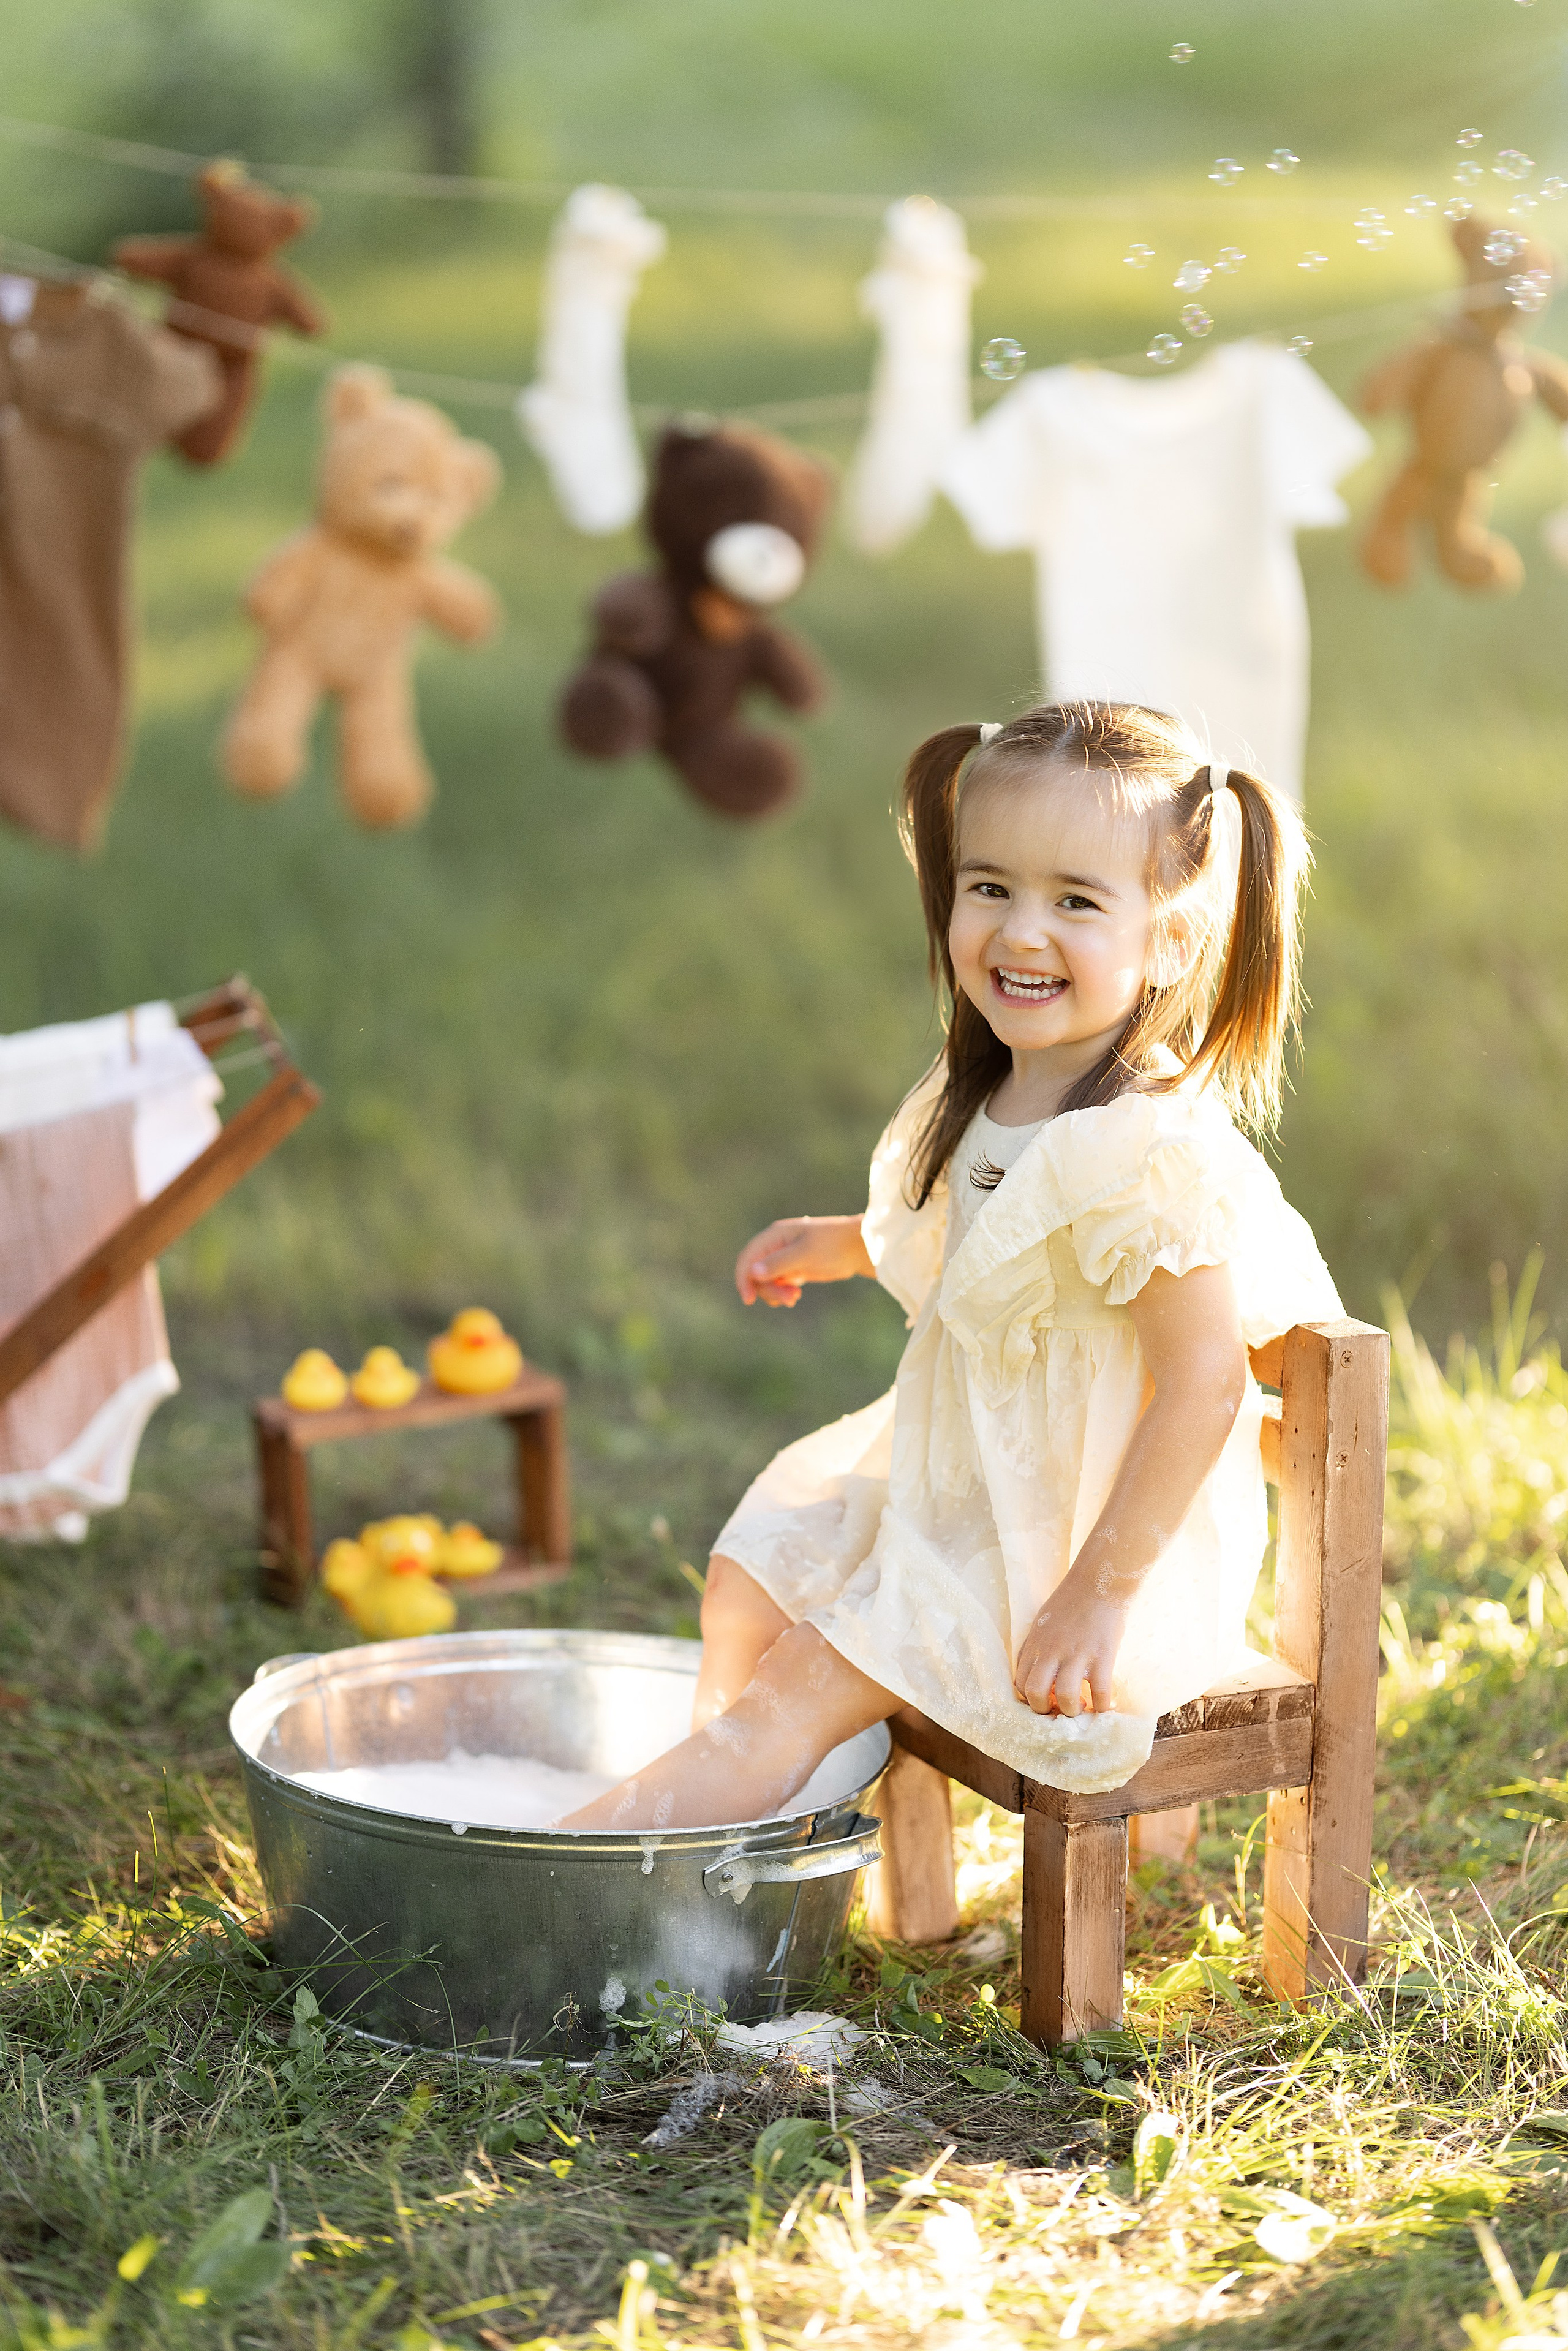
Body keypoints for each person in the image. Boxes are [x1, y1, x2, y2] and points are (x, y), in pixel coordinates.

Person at [560, 701, 1341, 1833]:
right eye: (991, 888)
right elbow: (974, 1235)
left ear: (1169, 938)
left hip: (1071, 1540)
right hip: (963, 1479)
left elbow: (1209, 1385)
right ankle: (730, 1832)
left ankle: (590, 1865)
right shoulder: (996, 1083)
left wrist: (1098, 1596)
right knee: (747, 1589)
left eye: (1075, 900)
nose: (1021, 933)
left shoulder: (1145, 1156)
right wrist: (840, 1241)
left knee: (793, 1686)